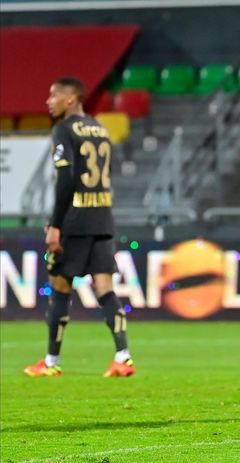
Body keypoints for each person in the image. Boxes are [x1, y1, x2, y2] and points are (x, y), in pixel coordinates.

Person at [23, 77, 135, 378]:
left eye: (54, 95)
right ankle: (123, 357)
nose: (49, 101)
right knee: (105, 289)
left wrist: (56, 225)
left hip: (75, 220)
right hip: (103, 218)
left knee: (60, 286)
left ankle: (50, 361)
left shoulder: (63, 129)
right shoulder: (100, 128)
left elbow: (67, 180)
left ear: (70, 100)